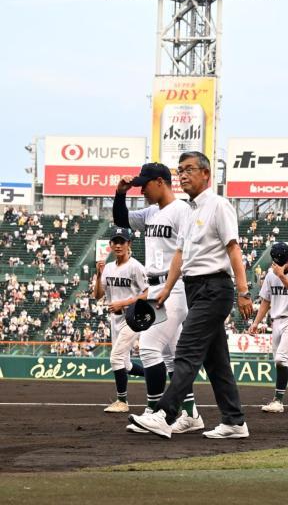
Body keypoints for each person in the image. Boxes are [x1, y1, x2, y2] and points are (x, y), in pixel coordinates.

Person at [129, 151, 254, 439]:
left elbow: (233, 248)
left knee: (186, 351)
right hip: (194, 288)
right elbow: (180, 254)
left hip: (215, 287)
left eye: (189, 169)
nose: (183, 175)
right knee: (216, 362)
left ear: (206, 174)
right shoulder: (189, 211)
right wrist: (166, 290)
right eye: (180, 170)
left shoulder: (218, 205)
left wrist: (244, 291)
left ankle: (165, 414)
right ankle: (234, 422)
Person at [113, 163, 202, 434]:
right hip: (154, 287)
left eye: (145, 185)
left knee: (149, 348)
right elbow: (121, 219)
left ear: (161, 182)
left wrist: (172, 286)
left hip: (172, 286)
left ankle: (154, 412)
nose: (141, 190)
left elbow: (188, 251)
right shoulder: (151, 212)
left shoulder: (182, 210)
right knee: (171, 356)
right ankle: (191, 414)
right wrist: (120, 193)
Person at [248, 242, 288, 413]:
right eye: (276, 261)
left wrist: (282, 276)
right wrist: (256, 322)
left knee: (280, 359)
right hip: (276, 320)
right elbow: (266, 301)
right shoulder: (270, 275)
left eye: (282, 262)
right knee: (280, 362)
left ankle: (278, 401)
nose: (278, 264)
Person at [93, 226, 147, 413]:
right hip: (115, 319)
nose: (118, 245)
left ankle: (122, 401)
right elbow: (97, 295)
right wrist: (99, 274)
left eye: (122, 242)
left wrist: (123, 303)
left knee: (115, 357)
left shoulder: (135, 267)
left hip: (132, 318)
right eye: (115, 242)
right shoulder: (108, 268)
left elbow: (148, 293)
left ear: (129, 244)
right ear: (110, 244)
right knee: (127, 365)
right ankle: (157, 374)